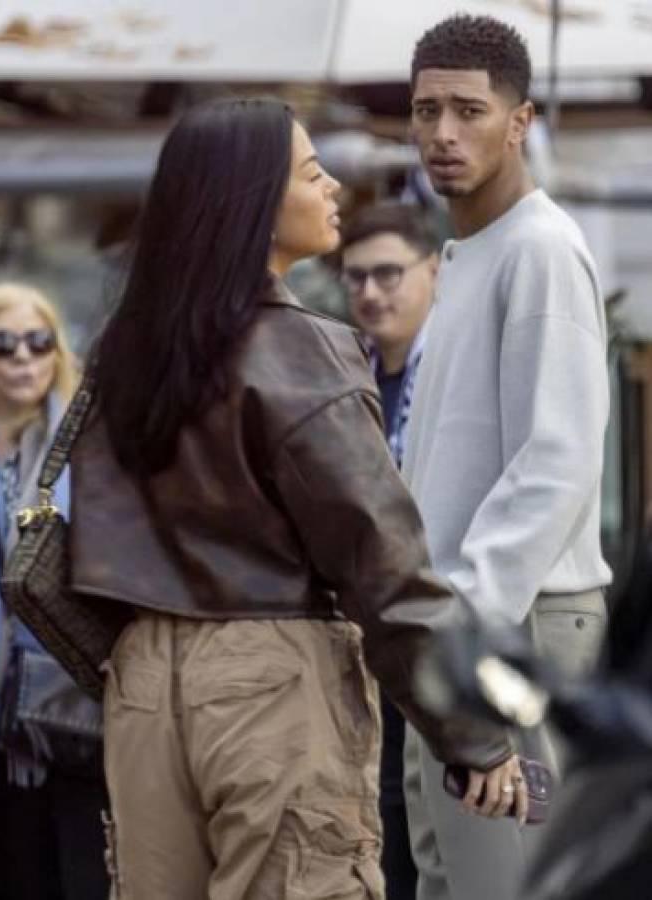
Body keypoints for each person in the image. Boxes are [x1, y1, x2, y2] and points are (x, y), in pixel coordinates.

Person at [66, 97, 526, 900]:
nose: (334, 187)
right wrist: (473, 731)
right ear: (250, 205)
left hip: (139, 680)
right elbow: (380, 561)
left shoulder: (124, 348)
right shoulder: (302, 353)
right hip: (267, 674)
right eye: (313, 173)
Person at [402, 15, 611, 900]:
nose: (443, 134)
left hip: (514, 628)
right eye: (424, 111)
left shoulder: (539, 248)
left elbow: (554, 463)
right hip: (463, 626)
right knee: (447, 878)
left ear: (519, 121)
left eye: (468, 111)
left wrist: (464, 627)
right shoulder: (470, 254)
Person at [0, 283, 109, 900]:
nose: (23, 356)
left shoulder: (94, 453)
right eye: (2, 343)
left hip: (70, 716)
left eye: (38, 341)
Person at [340, 202, 439, 899]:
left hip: (438, 625)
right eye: (354, 279)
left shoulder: (455, 368)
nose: (370, 292)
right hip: (362, 633)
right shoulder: (343, 372)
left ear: (432, 271)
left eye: (387, 274)